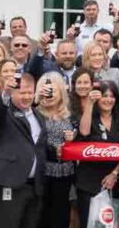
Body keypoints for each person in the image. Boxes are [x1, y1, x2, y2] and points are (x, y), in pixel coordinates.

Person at [0, 73, 48, 228]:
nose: (26, 96)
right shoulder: (4, 113)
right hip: (10, 184)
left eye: (29, 92)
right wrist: (5, 93)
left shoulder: (39, 115)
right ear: (13, 92)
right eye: (22, 92)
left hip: (35, 187)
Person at [74, 80, 119, 228]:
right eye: (104, 96)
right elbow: (84, 132)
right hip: (88, 182)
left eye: (112, 96)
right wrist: (89, 104)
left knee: (111, 224)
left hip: (113, 182)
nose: (108, 100)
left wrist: (115, 174)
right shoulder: (90, 116)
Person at [33, 73, 75, 228]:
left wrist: (70, 142)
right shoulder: (34, 113)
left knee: (61, 214)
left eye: (53, 91)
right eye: (46, 91)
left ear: (61, 93)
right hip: (43, 171)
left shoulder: (70, 115)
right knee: (41, 214)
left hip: (65, 172)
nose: (49, 95)